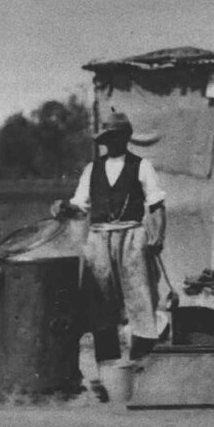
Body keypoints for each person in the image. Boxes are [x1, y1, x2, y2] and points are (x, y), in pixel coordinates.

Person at [52, 111, 166, 397]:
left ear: (125, 137)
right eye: (105, 139)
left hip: (132, 235)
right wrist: (64, 208)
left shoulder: (142, 166)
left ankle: (143, 368)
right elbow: (81, 205)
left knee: (140, 296)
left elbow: (156, 203)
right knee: (100, 300)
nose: (109, 143)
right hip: (99, 237)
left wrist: (158, 235)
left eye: (114, 137)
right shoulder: (93, 169)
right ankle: (108, 370)